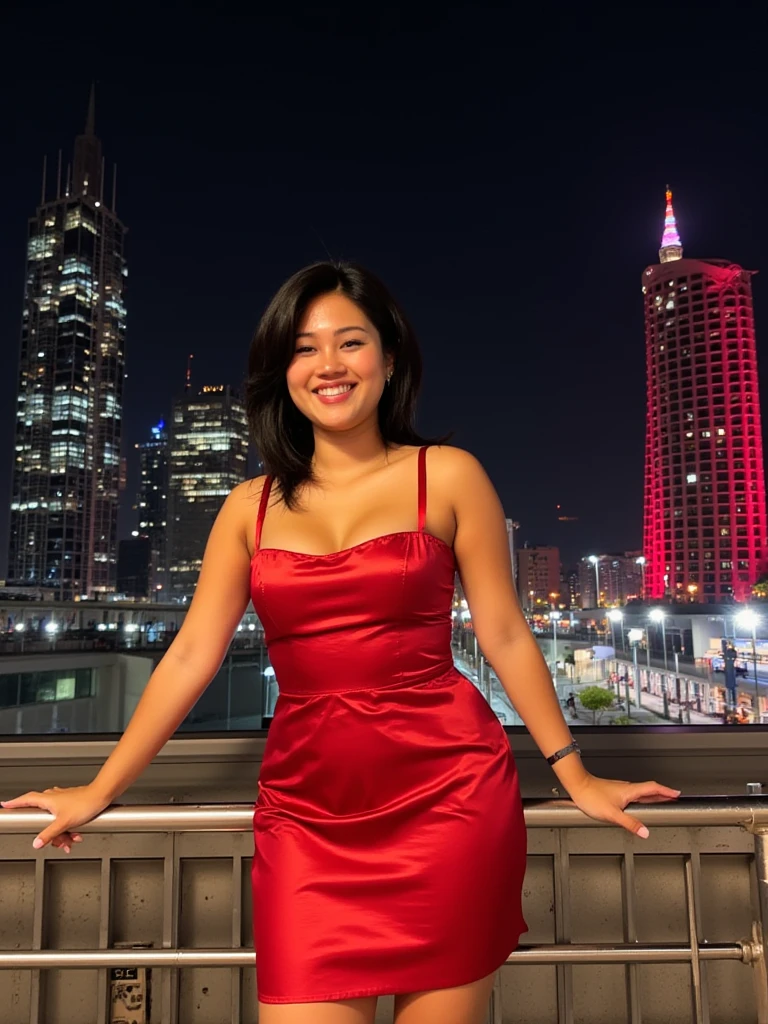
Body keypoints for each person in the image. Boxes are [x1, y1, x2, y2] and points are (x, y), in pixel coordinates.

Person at [0, 262, 680, 1024]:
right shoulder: (246, 509)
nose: (328, 364)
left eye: (349, 343)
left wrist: (574, 774)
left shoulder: (448, 477)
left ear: (388, 362)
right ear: (280, 372)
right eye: (303, 348)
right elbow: (192, 656)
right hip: (307, 816)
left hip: (448, 802)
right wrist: (100, 788)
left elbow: (506, 634)